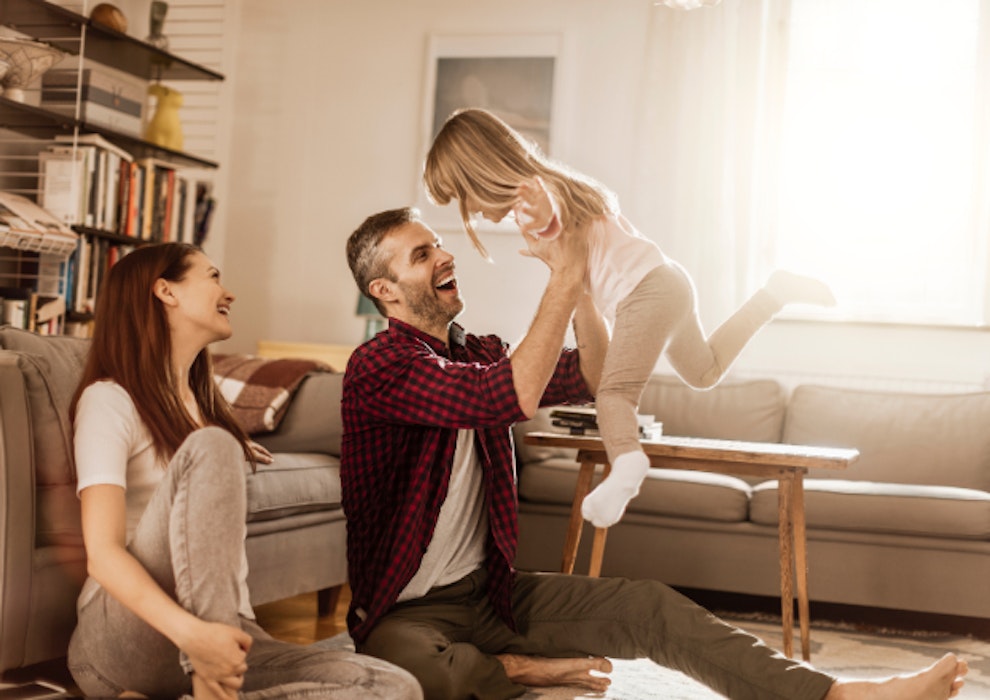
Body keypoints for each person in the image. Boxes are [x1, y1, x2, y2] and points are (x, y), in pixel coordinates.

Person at [341, 206, 968, 700]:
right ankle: (521, 668)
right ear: (385, 290)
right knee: (412, 674)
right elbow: (505, 395)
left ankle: (839, 695)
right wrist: (562, 276)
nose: (445, 255)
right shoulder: (377, 366)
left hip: (489, 595)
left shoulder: (477, 351)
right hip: (407, 613)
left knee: (651, 607)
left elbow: (593, 372)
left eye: (437, 244)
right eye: (423, 254)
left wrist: (581, 283)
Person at [423, 107, 838, 529]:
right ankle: (773, 295)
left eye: (463, 195)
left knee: (615, 395)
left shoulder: (533, 196)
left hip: (645, 292)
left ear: (481, 173)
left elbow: (549, 216)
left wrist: (537, 214)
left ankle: (627, 464)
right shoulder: (553, 185)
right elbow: (576, 267)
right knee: (705, 371)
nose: (469, 210)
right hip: (667, 281)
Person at [66, 242, 421, 700]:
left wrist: (225, 454)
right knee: (213, 444)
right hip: (126, 641)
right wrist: (197, 638)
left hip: (228, 633)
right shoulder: (109, 400)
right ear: (166, 291)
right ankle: (205, 678)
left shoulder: (205, 411)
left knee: (393, 686)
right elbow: (103, 555)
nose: (228, 292)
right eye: (213, 276)